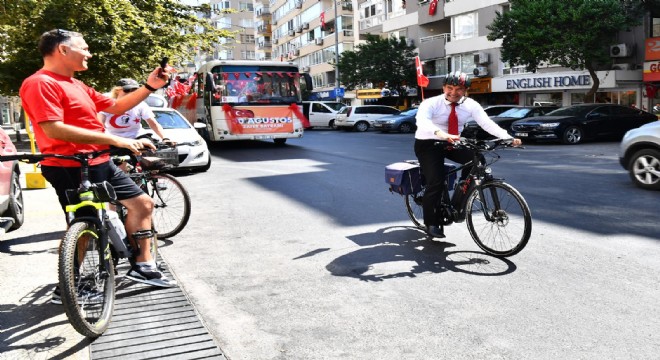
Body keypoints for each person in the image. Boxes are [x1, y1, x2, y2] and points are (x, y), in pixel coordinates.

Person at [19, 29, 177, 299]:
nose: (89, 53)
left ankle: (143, 266)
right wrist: (115, 138)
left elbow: (116, 107)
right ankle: (68, 286)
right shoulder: (41, 83)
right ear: (63, 50)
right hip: (68, 164)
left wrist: (150, 87)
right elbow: (53, 129)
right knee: (84, 224)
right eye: (85, 47)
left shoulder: (76, 84)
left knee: (142, 204)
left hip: (98, 160)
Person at [414, 71, 522, 238]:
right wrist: (442, 134)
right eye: (449, 88)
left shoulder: (470, 104)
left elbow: (486, 123)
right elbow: (422, 121)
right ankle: (431, 222)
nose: (453, 93)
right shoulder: (431, 103)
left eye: (459, 89)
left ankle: (460, 198)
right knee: (436, 180)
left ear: (465, 91)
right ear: (443, 87)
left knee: (478, 161)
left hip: (453, 141)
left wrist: (508, 137)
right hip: (428, 143)